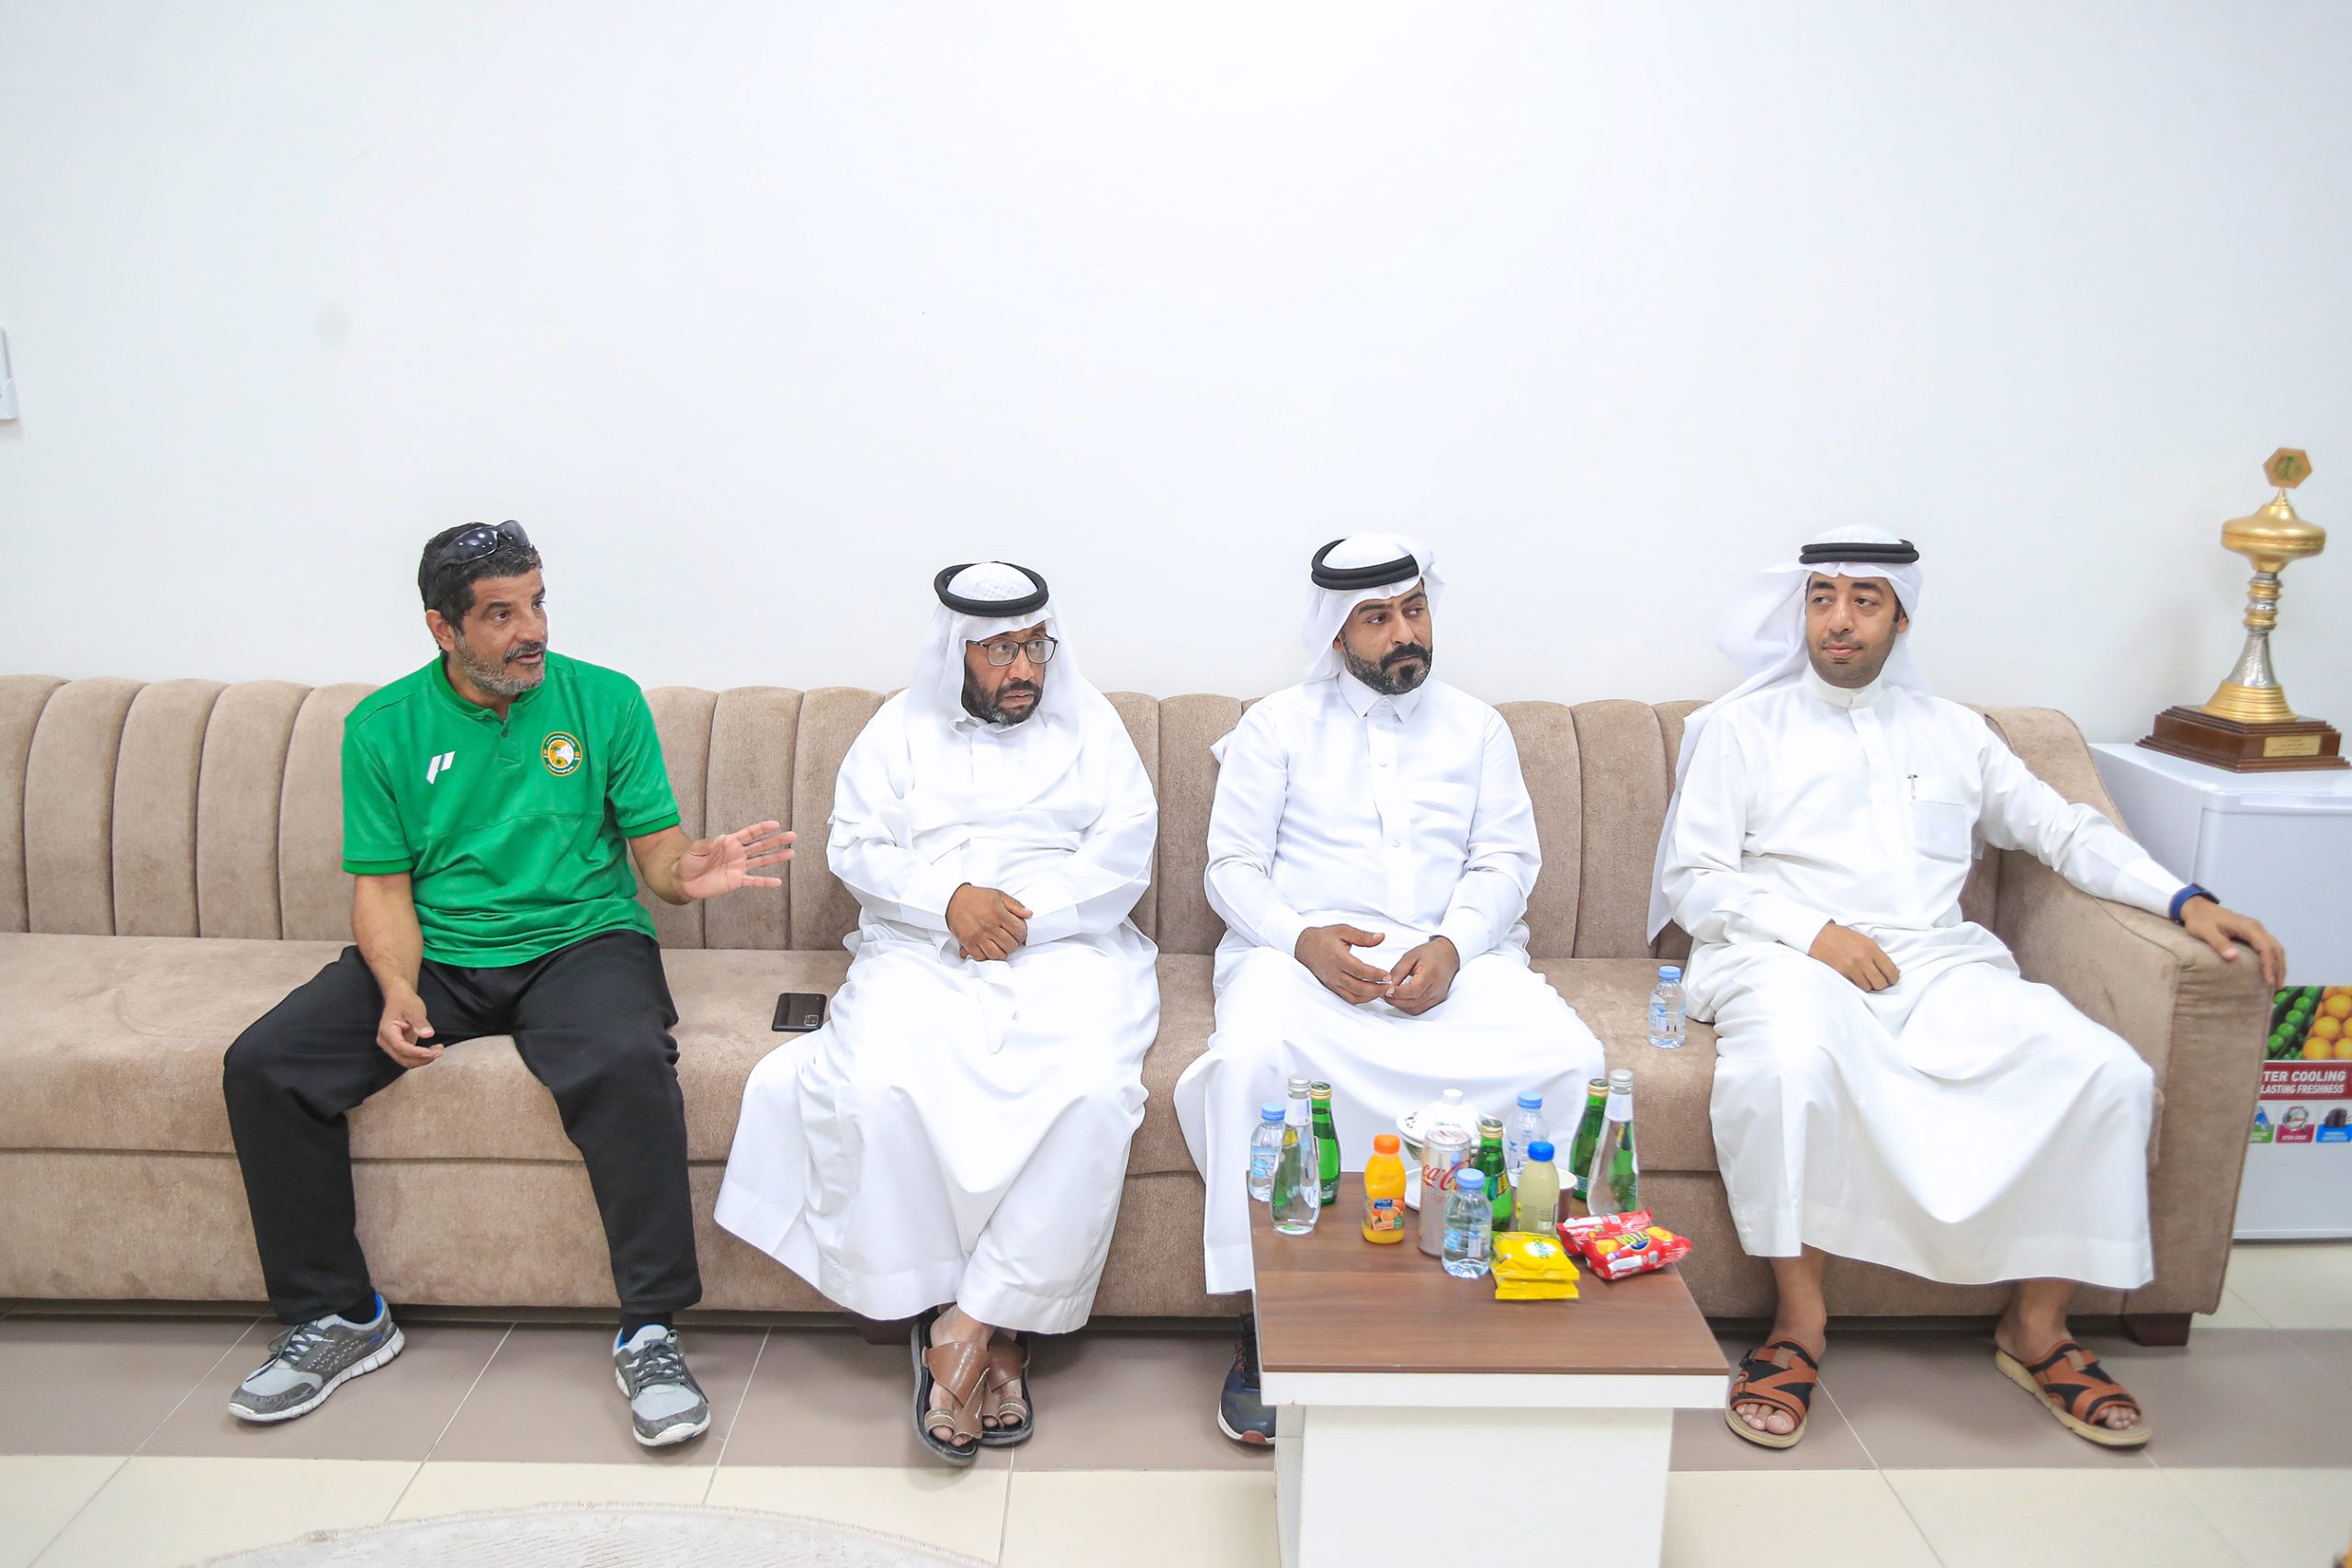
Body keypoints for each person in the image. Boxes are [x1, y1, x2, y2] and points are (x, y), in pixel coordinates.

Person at [1653, 526, 2285, 1452]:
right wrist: (1817, 935)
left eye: (1864, 601)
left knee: (2103, 1072)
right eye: (1822, 599)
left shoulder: (1955, 733)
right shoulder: (1739, 730)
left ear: (1901, 619)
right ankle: (1796, 1327)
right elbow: (1695, 880)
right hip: (1782, 954)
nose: (1839, 620)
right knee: (1787, 1069)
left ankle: (2037, 1328)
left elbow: (2064, 830)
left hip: (1939, 962)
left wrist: (2186, 901)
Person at [221, 521, 792, 1447]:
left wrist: (686, 873)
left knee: (625, 1061)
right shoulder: (382, 727)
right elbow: (382, 888)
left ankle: (650, 1329)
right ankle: (341, 1315)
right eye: (500, 613)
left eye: (536, 602)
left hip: (582, 940)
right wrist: (398, 988)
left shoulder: (604, 700)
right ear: (443, 628)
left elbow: (656, 853)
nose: (532, 629)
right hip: (442, 949)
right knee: (265, 1065)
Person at [716, 561, 1159, 1464]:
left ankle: (969, 1326)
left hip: (1067, 947)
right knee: (875, 1084)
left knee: (1092, 1093)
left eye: (1033, 646)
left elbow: (1124, 854)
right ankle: (989, 1332)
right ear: (956, 650)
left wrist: (1019, 921)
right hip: (921, 944)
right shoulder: (897, 729)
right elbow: (855, 847)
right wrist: (949, 901)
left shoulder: (1095, 726)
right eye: (1000, 650)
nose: (1022, 668)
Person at [1173, 535, 1608, 1445]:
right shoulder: (1275, 727)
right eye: (1377, 618)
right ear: (1336, 634)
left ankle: (1521, 1288)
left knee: (1571, 1059)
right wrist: (1301, 939)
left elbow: (1505, 860)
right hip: (1300, 954)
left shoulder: (1478, 728)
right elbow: (1231, 867)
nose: (1404, 632)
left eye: (1414, 610)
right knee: (1250, 1061)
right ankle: (1266, 1320)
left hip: (1458, 956)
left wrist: (1453, 946)